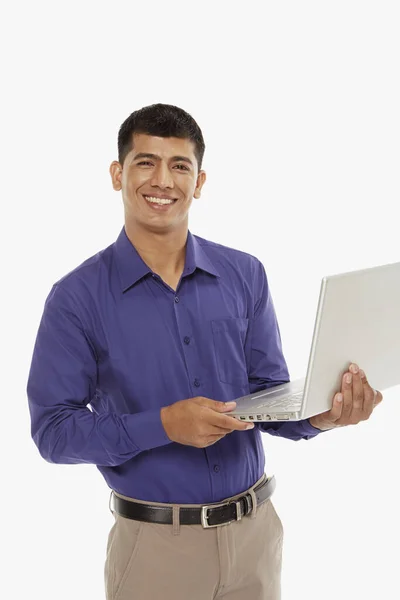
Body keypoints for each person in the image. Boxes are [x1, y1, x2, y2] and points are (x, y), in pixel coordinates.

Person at [26, 103, 383, 600]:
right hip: (155, 551)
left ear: (199, 181)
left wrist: (324, 414)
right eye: (145, 162)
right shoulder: (76, 298)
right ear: (117, 174)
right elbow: (53, 431)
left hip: (256, 536)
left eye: (180, 166)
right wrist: (164, 425)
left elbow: (267, 399)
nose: (163, 180)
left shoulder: (245, 274)